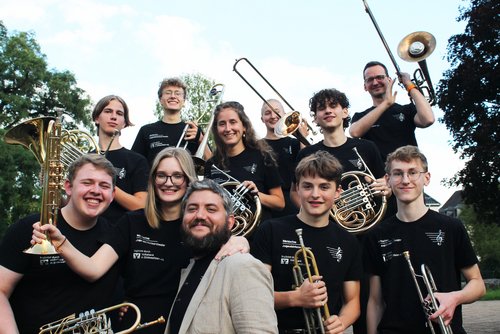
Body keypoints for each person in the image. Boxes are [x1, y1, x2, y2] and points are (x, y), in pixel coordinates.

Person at [32, 148, 248, 334]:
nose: (168, 182)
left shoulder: (197, 227)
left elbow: (226, 254)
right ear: (153, 180)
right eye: (161, 175)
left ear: (188, 180)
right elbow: (93, 269)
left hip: (184, 325)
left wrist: (241, 242)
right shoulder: (131, 222)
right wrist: (60, 242)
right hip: (136, 325)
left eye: (177, 176)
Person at [289, 88, 390, 334]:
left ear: (345, 112)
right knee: (326, 305)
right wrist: (318, 207)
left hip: (365, 238)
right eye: (321, 108)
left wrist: (385, 188)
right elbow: (293, 193)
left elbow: (384, 184)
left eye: (333, 106)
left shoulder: (366, 148)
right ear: (315, 118)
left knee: (367, 303)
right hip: (325, 237)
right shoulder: (307, 153)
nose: (328, 111)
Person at [364, 145, 485, 334]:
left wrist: (455, 297)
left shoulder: (451, 227)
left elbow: (478, 284)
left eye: (413, 172)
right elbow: (375, 301)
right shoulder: (375, 235)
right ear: (387, 180)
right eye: (398, 174)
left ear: (426, 178)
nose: (405, 180)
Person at [0, 154, 119, 333]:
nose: (96, 190)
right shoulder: (29, 228)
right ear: (68, 187)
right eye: (87, 183)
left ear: (112, 195)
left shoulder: (116, 235)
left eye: (104, 186)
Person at [251, 151, 362, 334]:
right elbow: (254, 295)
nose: (315, 194)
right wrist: (295, 298)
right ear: (298, 189)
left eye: (324, 187)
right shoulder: (270, 230)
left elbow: (352, 302)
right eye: (308, 186)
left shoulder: (348, 241)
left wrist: (341, 322)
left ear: (337, 193)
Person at [166, 179, 278, 334]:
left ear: (230, 222)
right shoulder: (190, 266)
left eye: (211, 209)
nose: (200, 215)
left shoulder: (243, 267)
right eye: (192, 209)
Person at [205, 101, 285, 222]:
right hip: (223, 235)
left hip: (258, 235)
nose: (228, 128)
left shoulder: (262, 156)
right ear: (216, 130)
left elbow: (280, 203)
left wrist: (256, 195)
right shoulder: (211, 164)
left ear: (244, 127)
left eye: (233, 122)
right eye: (222, 124)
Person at [349, 61, 435, 161]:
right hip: (381, 175)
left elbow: (428, 119)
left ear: (389, 80)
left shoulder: (406, 110)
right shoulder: (361, 116)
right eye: (370, 80)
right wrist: (386, 104)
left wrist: (409, 84)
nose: (375, 82)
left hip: (410, 172)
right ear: (365, 86)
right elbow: (354, 132)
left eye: (380, 77)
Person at [92, 94, 149, 223]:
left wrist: (106, 184)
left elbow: (141, 205)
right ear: (96, 118)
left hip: (120, 235)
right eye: (108, 111)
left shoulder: (137, 160)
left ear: (124, 123)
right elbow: (70, 204)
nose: (113, 116)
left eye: (119, 113)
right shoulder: (83, 159)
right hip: (85, 232)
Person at [132, 77, 210, 166]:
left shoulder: (193, 130)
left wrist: (200, 139)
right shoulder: (146, 130)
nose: (173, 96)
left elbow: (213, 164)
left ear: (184, 101)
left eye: (178, 93)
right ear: (160, 100)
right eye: (168, 93)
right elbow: (134, 164)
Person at [261, 99, 305, 217]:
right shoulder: (255, 146)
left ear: (285, 115)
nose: (273, 116)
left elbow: (306, 167)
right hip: (267, 205)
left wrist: (302, 138)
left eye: (276, 111)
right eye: (267, 113)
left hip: (293, 202)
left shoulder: (295, 143)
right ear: (262, 119)